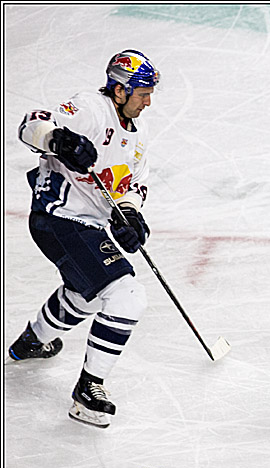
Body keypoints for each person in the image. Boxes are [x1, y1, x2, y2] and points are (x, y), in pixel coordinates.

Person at [8, 50, 159, 429]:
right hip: (57, 216)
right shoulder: (92, 108)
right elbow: (30, 125)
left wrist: (130, 216)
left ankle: (32, 341)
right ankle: (87, 391)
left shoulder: (137, 143)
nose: (148, 100)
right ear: (120, 90)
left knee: (85, 293)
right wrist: (58, 139)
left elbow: (130, 188)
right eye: (142, 92)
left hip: (83, 224)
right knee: (126, 295)